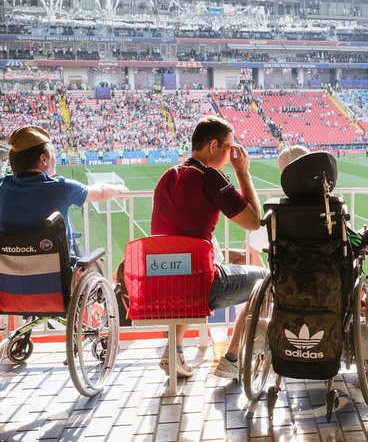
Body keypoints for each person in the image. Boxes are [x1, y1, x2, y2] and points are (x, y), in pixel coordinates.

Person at [150, 116, 266, 379]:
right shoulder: (210, 176)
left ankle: (174, 350)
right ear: (213, 146)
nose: (231, 155)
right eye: (230, 148)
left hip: (163, 280)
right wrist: (242, 172)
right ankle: (233, 358)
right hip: (202, 284)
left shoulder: (168, 176)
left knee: (190, 268)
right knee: (267, 280)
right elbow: (253, 221)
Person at [0, 125, 128, 262]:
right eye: (53, 154)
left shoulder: (2, 187)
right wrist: (119, 189)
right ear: (43, 160)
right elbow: (101, 192)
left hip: (10, 279)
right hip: (58, 276)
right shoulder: (62, 187)